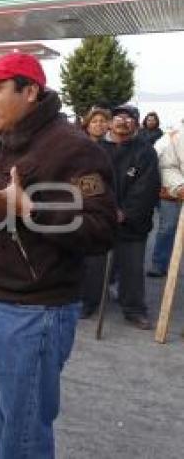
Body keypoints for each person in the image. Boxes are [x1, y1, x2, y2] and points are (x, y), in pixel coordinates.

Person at [0, 52, 117, 458]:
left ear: (31, 92)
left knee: (23, 430)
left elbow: (102, 228)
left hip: (34, 311)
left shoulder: (72, 148)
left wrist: (31, 211)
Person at [82, 105, 159, 326]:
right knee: (93, 263)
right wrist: (103, 208)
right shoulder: (95, 149)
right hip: (99, 218)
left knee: (132, 267)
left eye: (129, 118)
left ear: (136, 123)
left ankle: (134, 308)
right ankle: (88, 301)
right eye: (118, 117)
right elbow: (87, 180)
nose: (122, 121)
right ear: (110, 122)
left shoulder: (145, 151)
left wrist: (125, 213)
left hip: (132, 222)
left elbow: (147, 187)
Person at [151, 119, 184, 278]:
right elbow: (168, 165)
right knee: (167, 228)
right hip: (173, 192)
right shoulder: (175, 136)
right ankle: (160, 263)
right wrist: (179, 186)